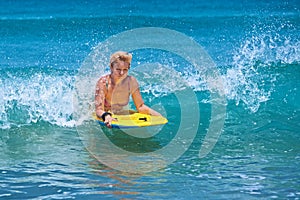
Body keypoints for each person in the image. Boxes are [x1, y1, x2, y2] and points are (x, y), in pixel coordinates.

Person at [95, 51, 162, 128]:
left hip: (120, 114)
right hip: (105, 114)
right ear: (111, 67)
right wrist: (106, 116)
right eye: (118, 69)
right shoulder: (103, 83)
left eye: (125, 70)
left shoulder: (131, 82)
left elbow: (140, 106)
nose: (121, 73)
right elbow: (98, 109)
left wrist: (158, 116)